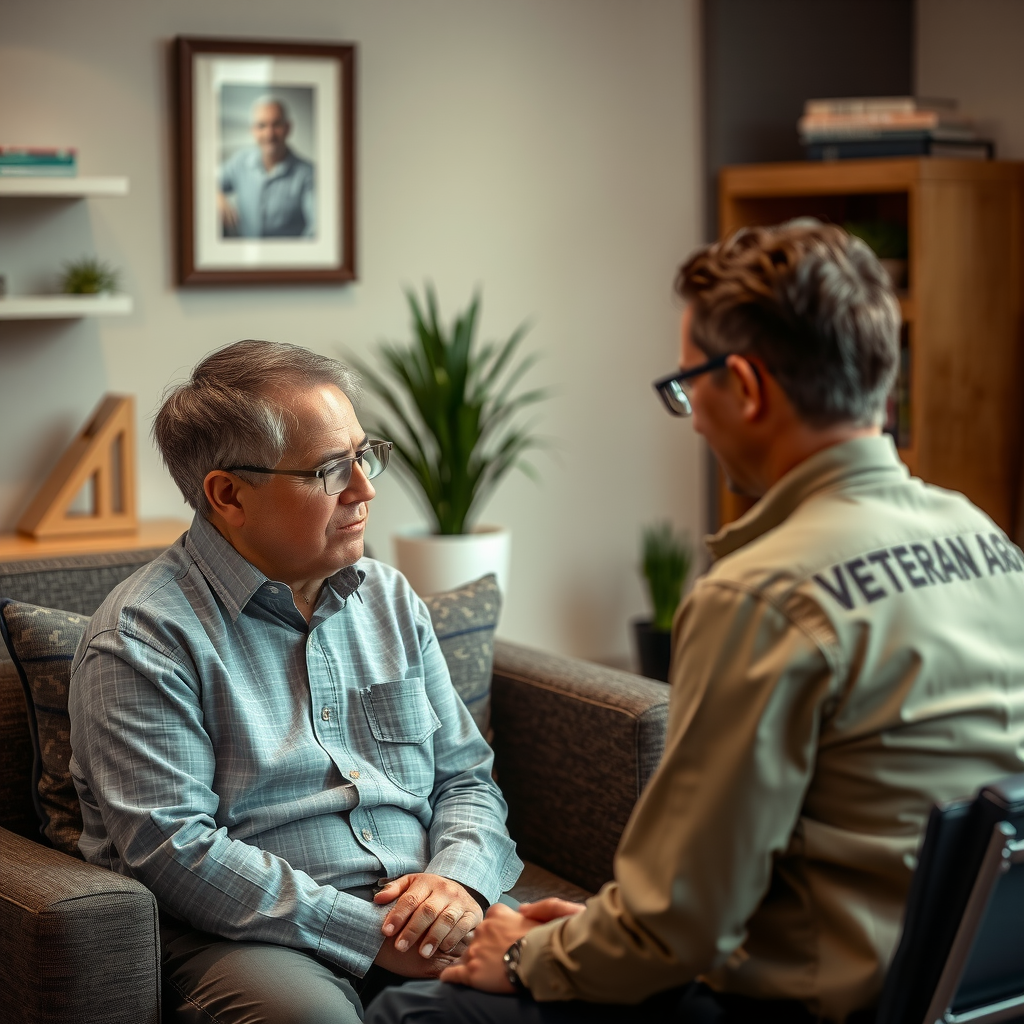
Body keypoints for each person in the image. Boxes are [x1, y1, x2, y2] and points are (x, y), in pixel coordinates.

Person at [366, 220, 1024, 1024]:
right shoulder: (986, 541)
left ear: (744, 386)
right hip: (971, 993)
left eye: (688, 384)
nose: (694, 418)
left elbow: (678, 924)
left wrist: (522, 953)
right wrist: (598, 934)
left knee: (412, 1014)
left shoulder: (763, 594)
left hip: (821, 1008)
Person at [67, 340, 522, 1024]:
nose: (365, 490)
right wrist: (374, 936)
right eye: (331, 470)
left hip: (425, 907)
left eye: (364, 456)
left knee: (590, 974)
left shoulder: (390, 599)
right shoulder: (141, 637)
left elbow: (466, 778)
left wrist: (457, 884)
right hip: (247, 938)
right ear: (228, 495)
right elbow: (175, 849)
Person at [218, 96, 316, 238]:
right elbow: (206, 182)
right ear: (253, 130)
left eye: (276, 125)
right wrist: (217, 197)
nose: (269, 134)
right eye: (261, 126)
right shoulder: (240, 161)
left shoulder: (308, 174)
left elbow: (316, 227)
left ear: (288, 128)